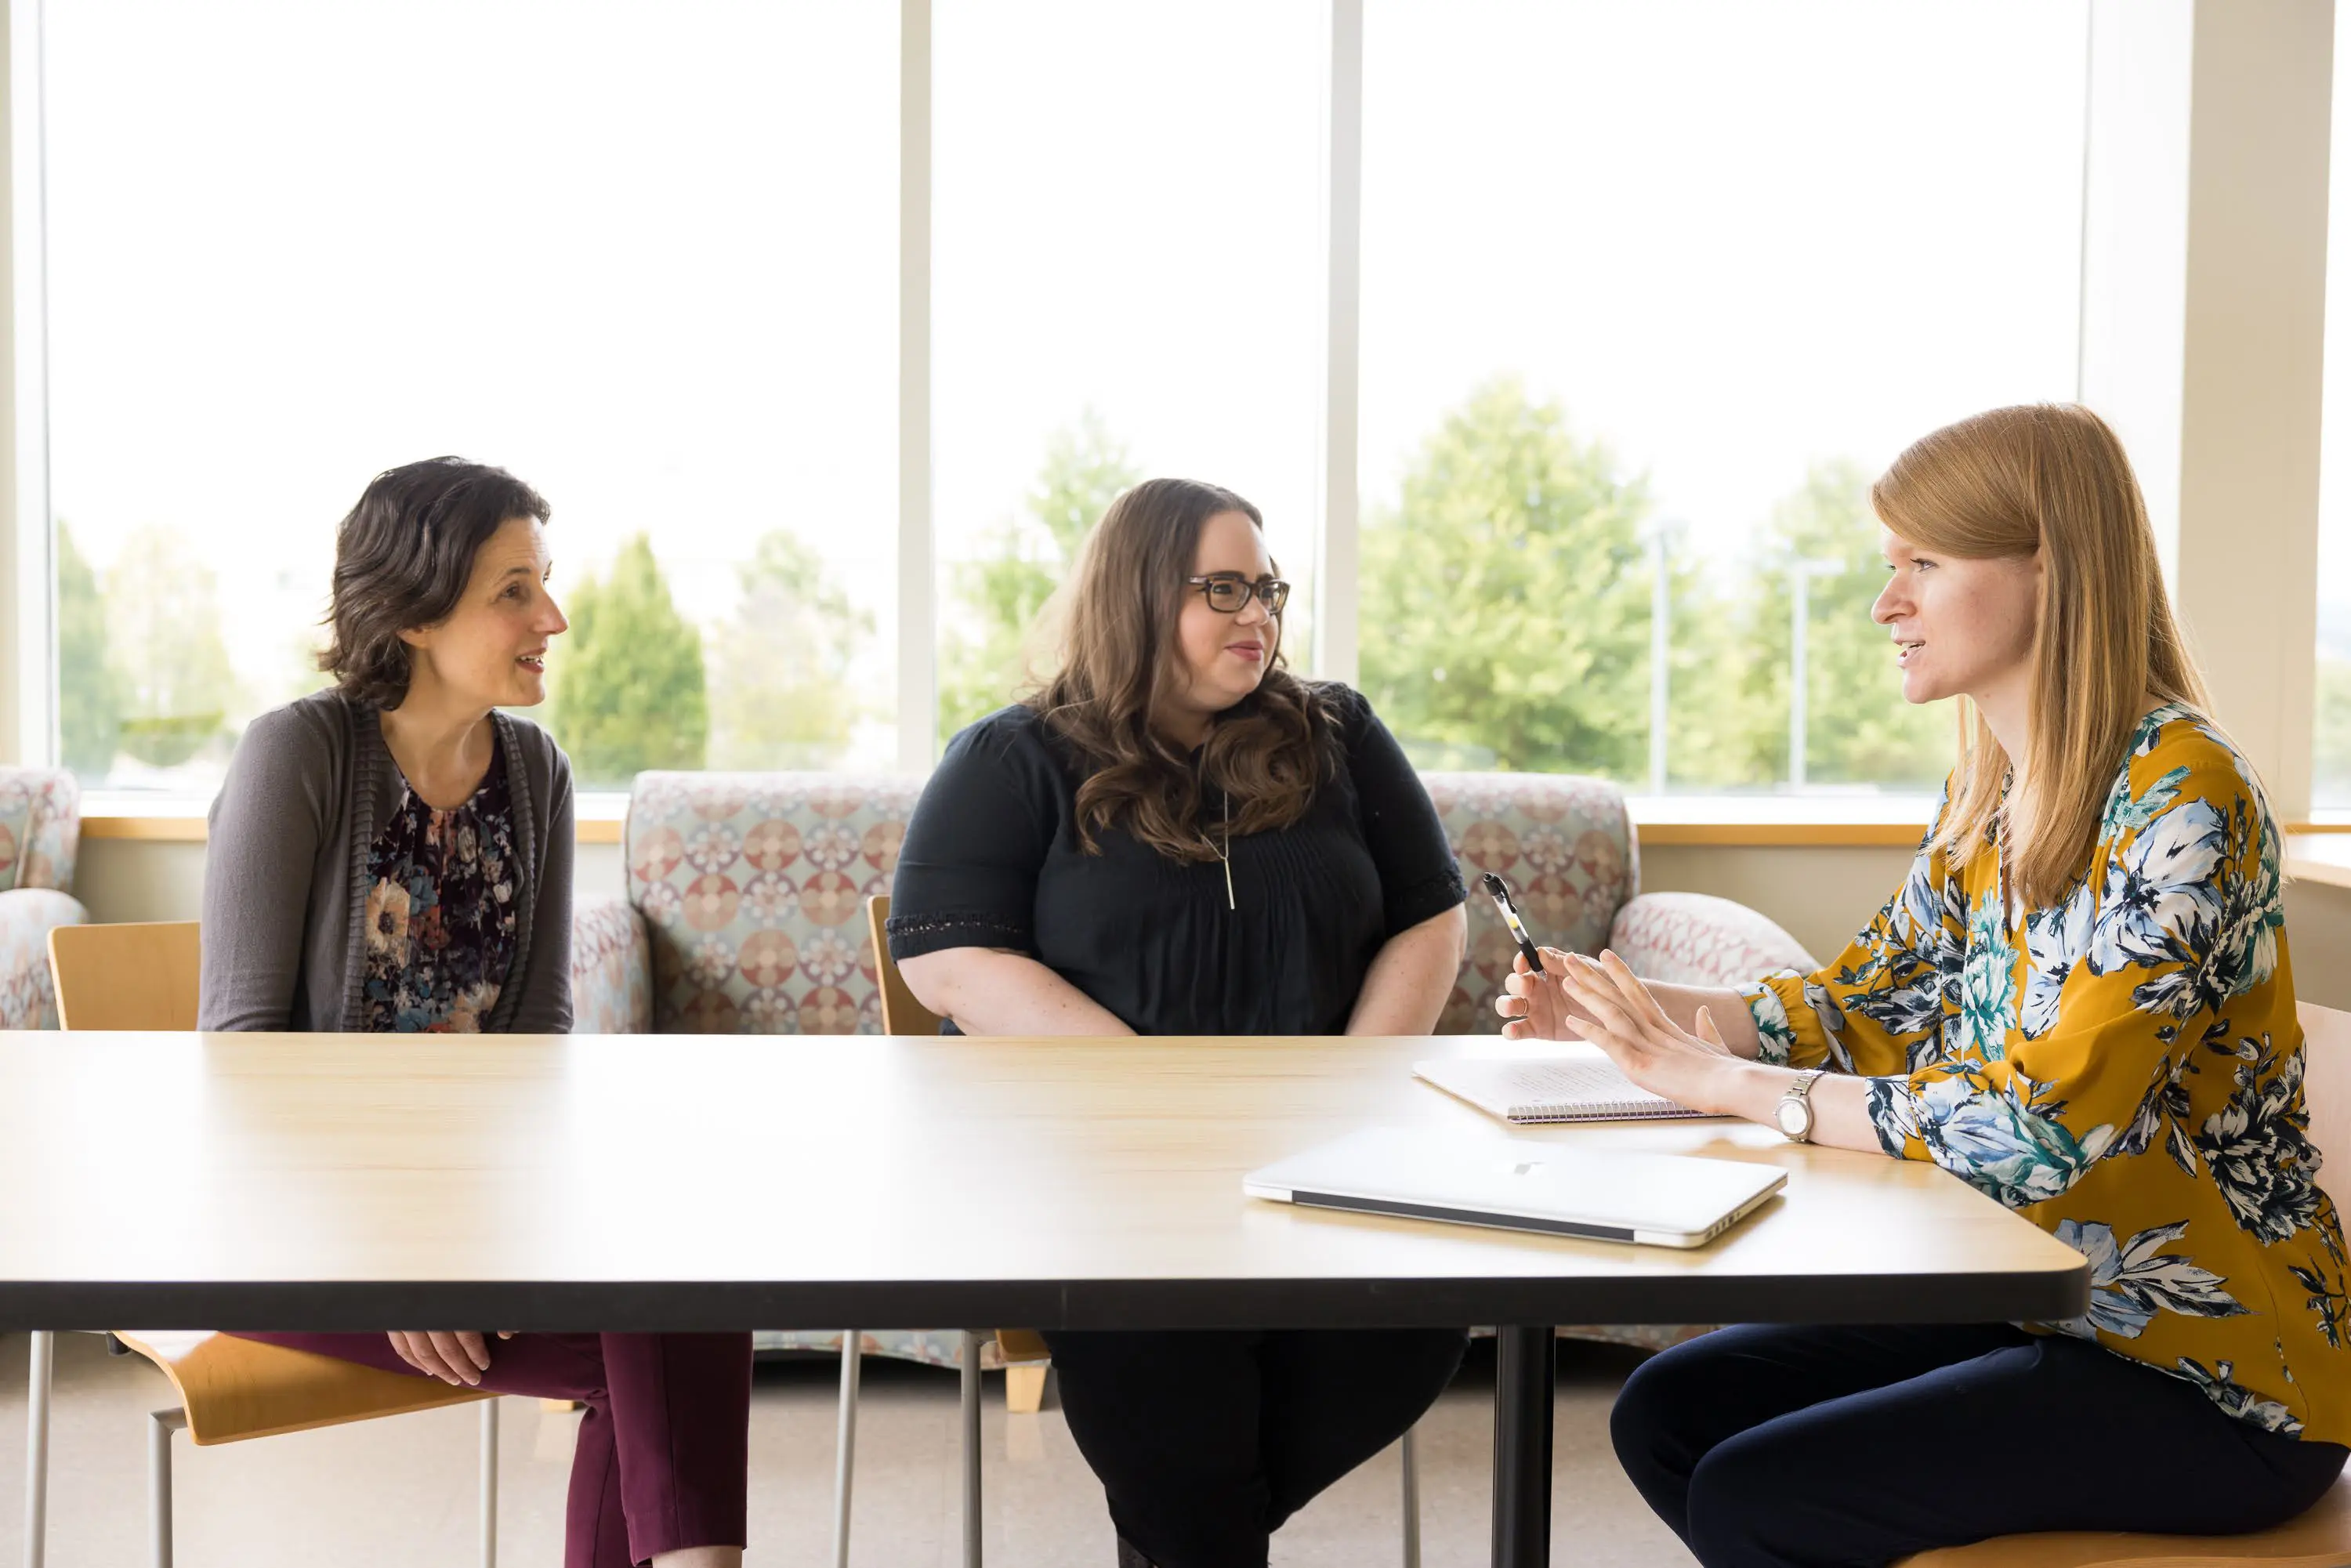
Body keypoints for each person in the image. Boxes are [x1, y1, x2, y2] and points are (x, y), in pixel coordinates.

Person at [1498, 404, 2349, 1567]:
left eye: (1923, 564)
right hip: (2041, 1294)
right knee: (1670, 1413)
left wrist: (1732, 1087)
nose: (1883, 605)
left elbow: (2038, 1130)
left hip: (2217, 1373)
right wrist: (1615, 1009)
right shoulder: (1993, 798)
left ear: (2049, 563)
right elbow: (1854, 1011)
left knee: (1759, 1494)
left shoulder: (2183, 797)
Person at [887, 476, 1471, 1568]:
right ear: (1139, 596)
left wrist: (1352, 1095)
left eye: (1269, 589)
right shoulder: (1012, 758)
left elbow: (1431, 918)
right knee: (1172, 1372)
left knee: (1418, 1325)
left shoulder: (1336, 731)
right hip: (1110, 1177)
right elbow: (948, 958)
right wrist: (1164, 1105)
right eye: (1224, 590)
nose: (1260, 616)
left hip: (1331, 1163)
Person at [199, 458, 751, 1568]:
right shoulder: (298, 756)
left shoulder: (534, 771)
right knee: (656, 1339)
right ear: (412, 609)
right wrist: (404, 1257)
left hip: (470, 1218)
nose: (553, 616)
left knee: (687, 1276)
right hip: (294, 1228)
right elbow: (245, 1067)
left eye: (544, 583)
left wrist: (474, 1236)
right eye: (514, 591)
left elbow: (536, 1051)